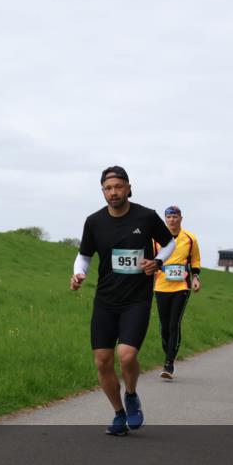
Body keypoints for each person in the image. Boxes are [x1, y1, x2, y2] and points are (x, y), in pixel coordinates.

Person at [70, 166, 176, 435]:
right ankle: (118, 413)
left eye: (118, 187)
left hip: (136, 300)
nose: (113, 192)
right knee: (102, 361)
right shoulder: (94, 222)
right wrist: (78, 274)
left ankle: (131, 394)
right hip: (105, 300)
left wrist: (158, 261)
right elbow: (84, 255)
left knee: (126, 356)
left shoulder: (147, 216)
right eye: (108, 188)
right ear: (103, 191)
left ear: (128, 188)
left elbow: (169, 243)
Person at [152, 206, 201, 380]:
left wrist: (195, 277)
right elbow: (151, 258)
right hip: (161, 285)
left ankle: (169, 363)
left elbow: (195, 259)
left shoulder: (190, 238)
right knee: (164, 326)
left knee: (174, 324)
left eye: (175, 217)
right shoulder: (156, 238)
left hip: (182, 286)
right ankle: (169, 352)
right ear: (165, 220)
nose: (172, 220)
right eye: (169, 217)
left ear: (181, 218)